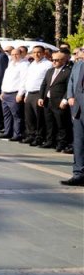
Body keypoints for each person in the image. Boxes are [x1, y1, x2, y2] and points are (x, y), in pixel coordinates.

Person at [38, 50, 73, 152]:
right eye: (52, 60)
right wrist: (41, 97)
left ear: (63, 60)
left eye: (57, 60)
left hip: (59, 101)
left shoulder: (68, 71)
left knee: (61, 124)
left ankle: (62, 143)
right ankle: (50, 141)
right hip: (47, 100)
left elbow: (69, 87)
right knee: (49, 123)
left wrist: (65, 100)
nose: (54, 62)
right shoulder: (50, 71)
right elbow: (44, 84)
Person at [20, 47, 53, 146]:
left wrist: (43, 96)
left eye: (39, 52)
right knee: (29, 117)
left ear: (43, 53)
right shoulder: (32, 64)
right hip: (30, 92)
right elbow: (28, 79)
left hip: (39, 93)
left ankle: (39, 137)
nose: (36, 54)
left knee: (39, 117)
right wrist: (26, 94)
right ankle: (31, 135)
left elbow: (48, 82)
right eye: (34, 52)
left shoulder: (48, 64)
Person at [62, 49, 84, 186]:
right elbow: (71, 81)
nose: (80, 52)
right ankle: (78, 174)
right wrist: (70, 96)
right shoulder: (78, 65)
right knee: (79, 142)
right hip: (78, 108)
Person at [0, 47, 29, 141]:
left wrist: (20, 94)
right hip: (6, 93)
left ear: (20, 54)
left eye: (16, 54)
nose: (14, 56)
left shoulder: (24, 64)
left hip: (15, 93)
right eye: (12, 54)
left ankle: (18, 134)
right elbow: (5, 79)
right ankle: (8, 132)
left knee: (16, 115)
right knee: (6, 115)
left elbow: (24, 80)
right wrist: (2, 91)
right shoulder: (11, 64)